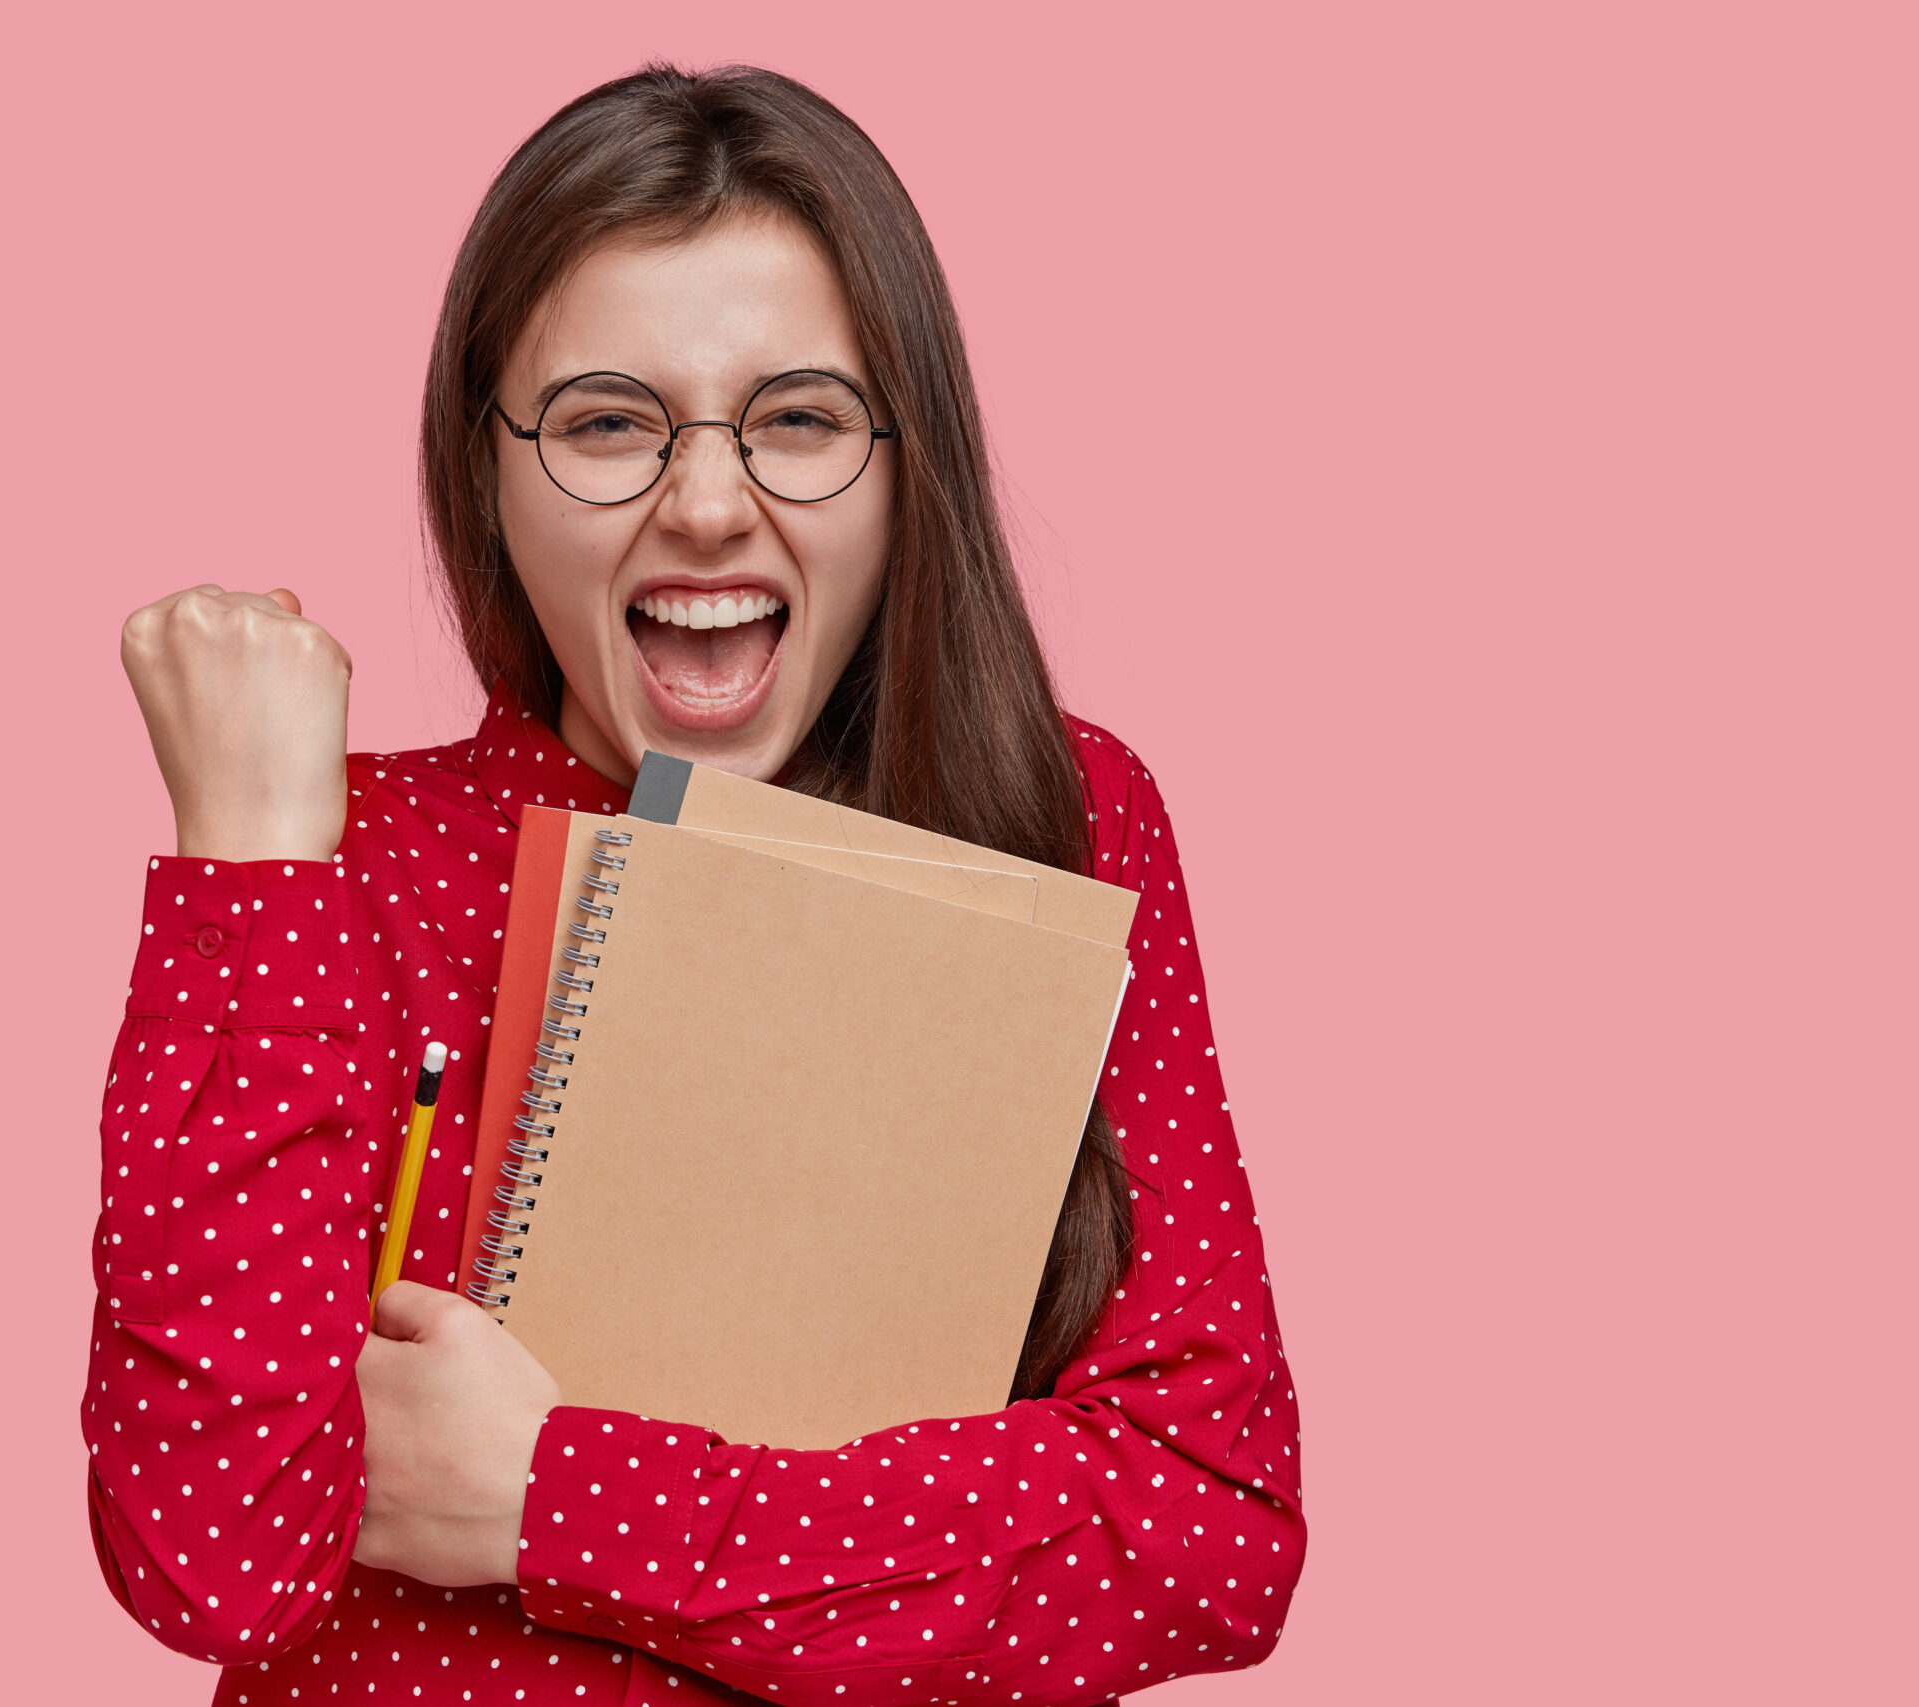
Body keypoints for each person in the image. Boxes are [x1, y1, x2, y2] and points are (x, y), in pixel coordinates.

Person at [86, 64, 1304, 1706]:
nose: (711, 505)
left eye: (797, 418)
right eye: (607, 422)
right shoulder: (329, 865)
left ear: (900, 456)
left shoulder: (1060, 819)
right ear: (488, 467)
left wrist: (553, 1500)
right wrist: (247, 866)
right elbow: (219, 1560)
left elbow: (1206, 1531)